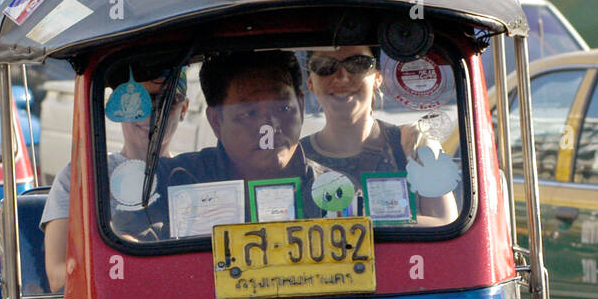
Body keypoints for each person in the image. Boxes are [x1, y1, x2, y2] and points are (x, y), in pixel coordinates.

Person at [116, 50, 328, 241]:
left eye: (283, 108)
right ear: (216, 121)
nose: (270, 127)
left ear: (301, 107)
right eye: (249, 113)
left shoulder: (332, 190)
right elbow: (127, 240)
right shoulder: (170, 181)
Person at [40, 68, 190, 292]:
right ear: (119, 106)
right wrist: (121, 252)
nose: (152, 113)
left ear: (184, 108)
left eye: (168, 101)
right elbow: (57, 276)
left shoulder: (191, 175)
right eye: (137, 100)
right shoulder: (80, 176)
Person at [301, 45, 452, 222]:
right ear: (310, 83)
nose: (342, 76)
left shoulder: (415, 143)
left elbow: (446, 223)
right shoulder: (297, 158)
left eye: (358, 64)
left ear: (377, 78)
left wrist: (357, 223)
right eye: (325, 66)